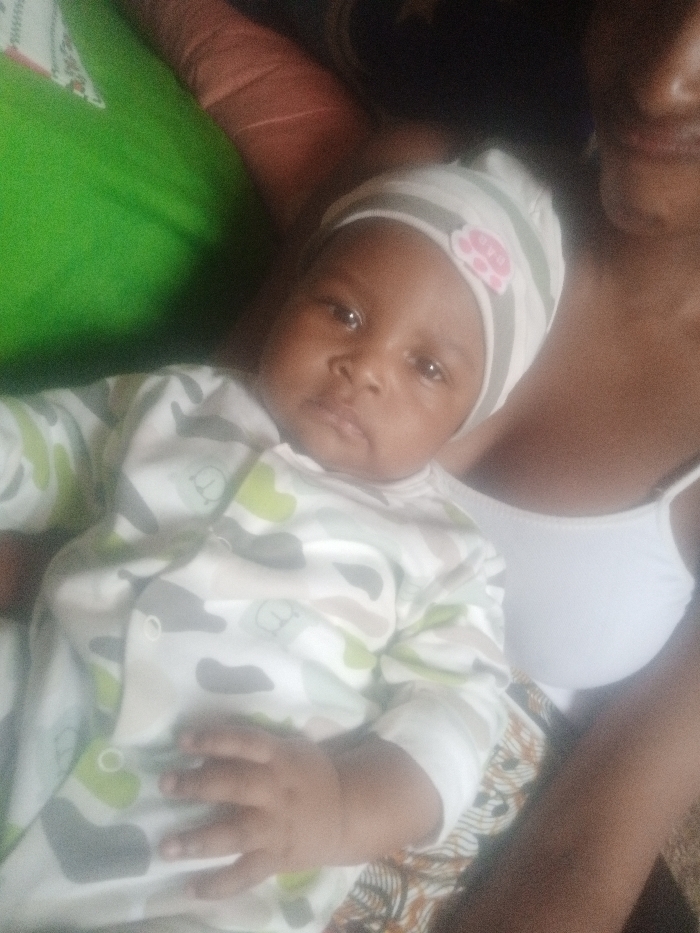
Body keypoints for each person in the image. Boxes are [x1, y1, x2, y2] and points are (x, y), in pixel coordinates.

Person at [0, 150, 564, 930]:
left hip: (199, 855)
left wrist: (341, 808)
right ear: (293, 293)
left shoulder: (448, 557)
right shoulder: (180, 399)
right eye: (344, 312)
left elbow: (457, 720)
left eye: (427, 366)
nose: (364, 367)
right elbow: (48, 444)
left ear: (466, 418)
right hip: (31, 706)